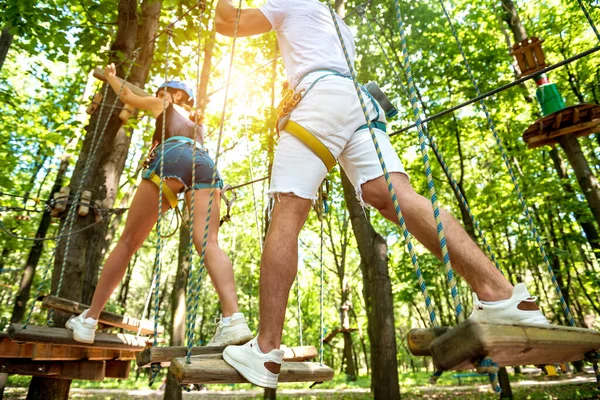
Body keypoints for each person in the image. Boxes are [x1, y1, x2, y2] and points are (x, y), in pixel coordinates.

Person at [215, 0, 549, 389]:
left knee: (287, 211)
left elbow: (229, 23)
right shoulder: (335, 21)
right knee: (391, 194)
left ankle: (266, 350)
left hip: (319, 98)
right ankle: (504, 296)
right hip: (358, 102)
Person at [65, 64, 253, 347]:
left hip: (172, 157)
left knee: (128, 243)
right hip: (204, 164)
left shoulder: (162, 104)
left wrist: (111, 76)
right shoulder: (197, 126)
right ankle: (234, 319)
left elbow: (128, 95)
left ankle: (89, 320)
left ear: (173, 95)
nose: (158, 95)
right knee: (209, 243)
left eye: (163, 91)